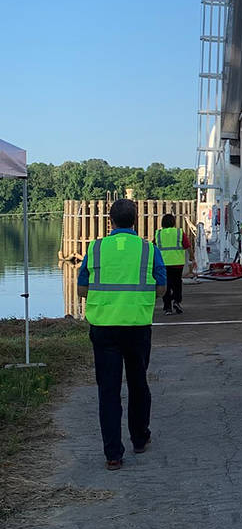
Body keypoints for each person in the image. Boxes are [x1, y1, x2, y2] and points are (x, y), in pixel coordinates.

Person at [77, 198, 166, 470]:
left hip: (104, 329)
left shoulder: (95, 249)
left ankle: (113, 454)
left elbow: (81, 290)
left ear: (110, 222)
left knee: (108, 390)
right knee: (139, 384)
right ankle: (140, 439)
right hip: (137, 328)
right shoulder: (148, 249)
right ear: (136, 221)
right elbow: (161, 289)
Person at [155, 213, 192, 315]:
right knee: (177, 283)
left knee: (166, 285)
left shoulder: (158, 234)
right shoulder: (179, 232)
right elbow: (187, 246)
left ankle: (167, 308)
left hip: (163, 264)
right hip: (177, 264)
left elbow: (154, 248)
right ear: (173, 222)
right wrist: (192, 257)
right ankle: (177, 301)